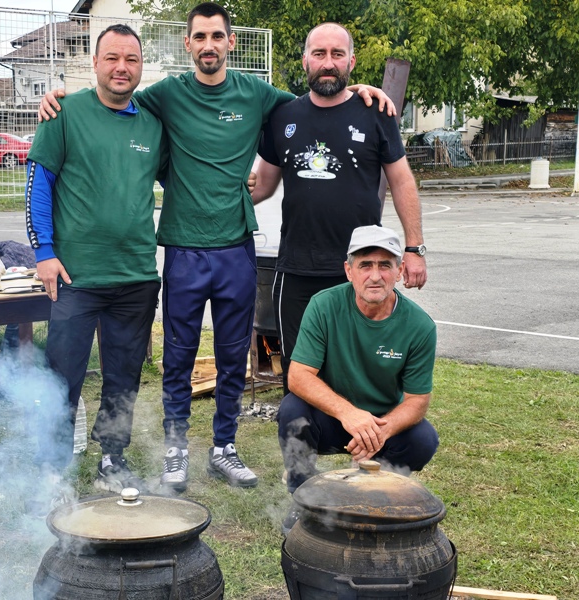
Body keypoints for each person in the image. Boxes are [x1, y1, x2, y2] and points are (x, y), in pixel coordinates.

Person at [39, 3, 395, 493]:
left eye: (217, 37)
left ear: (231, 43)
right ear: (187, 45)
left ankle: (223, 448)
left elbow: (316, 98)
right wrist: (60, 98)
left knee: (233, 356)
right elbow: (113, 98)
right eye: (199, 37)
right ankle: (175, 451)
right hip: (183, 249)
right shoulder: (163, 95)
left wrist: (357, 91)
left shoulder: (256, 94)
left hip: (235, 249)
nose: (208, 45)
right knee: (179, 356)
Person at [27, 24, 167, 494]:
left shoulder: (152, 122)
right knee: (61, 374)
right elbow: (38, 184)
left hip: (136, 275)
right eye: (112, 58)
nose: (122, 67)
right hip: (76, 276)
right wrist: (43, 252)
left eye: (131, 58)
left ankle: (112, 458)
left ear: (140, 65)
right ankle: (51, 467)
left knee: (124, 376)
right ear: (95, 63)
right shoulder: (63, 112)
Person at [251, 23, 426, 395]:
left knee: (359, 376)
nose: (327, 63)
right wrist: (212, 197)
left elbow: (402, 182)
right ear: (304, 61)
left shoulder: (376, 112)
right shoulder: (282, 116)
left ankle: (364, 447)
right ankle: (301, 452)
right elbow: (263, 185)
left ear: (351, 60)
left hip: (361, 270)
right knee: (298, 376)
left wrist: (413, 249)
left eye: (336, 54)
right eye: (319, 54)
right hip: (296, 270)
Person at [278, 225, 438, 530]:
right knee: (292, 411)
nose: (374, 276)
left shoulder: (419, 326)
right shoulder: (324, 305)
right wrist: (349, 414)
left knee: (423, 439)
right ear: (349, 271)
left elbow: (418, 402)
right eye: (365, 265)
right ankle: (302, 499)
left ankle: (374, 499)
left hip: (381, 425)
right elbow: (298, 376)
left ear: (399, 270)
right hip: (332, 418)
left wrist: (380, 431)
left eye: (384, 266)